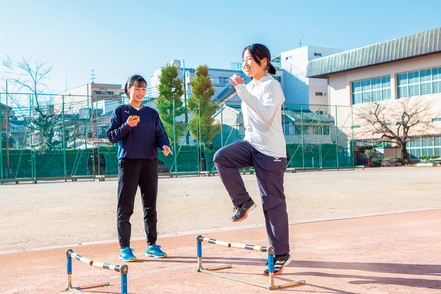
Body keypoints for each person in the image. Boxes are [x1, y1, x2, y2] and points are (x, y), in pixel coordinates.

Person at [213, 44, 291, 275]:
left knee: (272, 203)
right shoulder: (249, 86)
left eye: (249, 60)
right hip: (251, 145)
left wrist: (242, 92)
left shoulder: (271, 85)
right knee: (222, 157)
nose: (245, 64)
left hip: (271, 152)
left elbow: (267, 115)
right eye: (243, 60)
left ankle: (281, 253)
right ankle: (243, 202)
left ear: (264, 61)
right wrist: (243, 90)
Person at [107, 74, 173, 262]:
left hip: (150, 162)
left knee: (150, 206)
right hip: (128, 162)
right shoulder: (120, 112)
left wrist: (164, 145)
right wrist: (127, 126)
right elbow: (111, 136)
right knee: (125, 206)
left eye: (143, 89)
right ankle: (125, 247)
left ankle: (151, 245)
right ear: (128, 89)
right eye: (137, 88)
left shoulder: (152, 114)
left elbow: (160, 134)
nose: (140, 92)